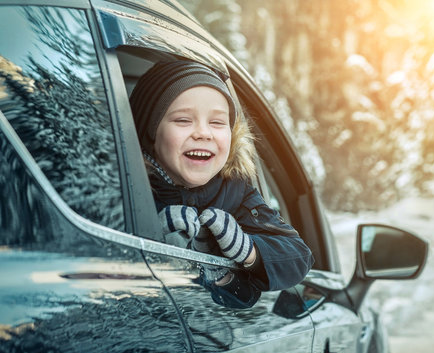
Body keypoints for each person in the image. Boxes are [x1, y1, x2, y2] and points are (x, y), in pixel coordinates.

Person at [129, 60, 314, 308]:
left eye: (217, 122)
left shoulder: (236, 190)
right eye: (183, 120)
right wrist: (152, 235)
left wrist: (248, 250)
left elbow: (299, 256)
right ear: (150, 130)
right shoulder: (127, 188)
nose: (204, 133)